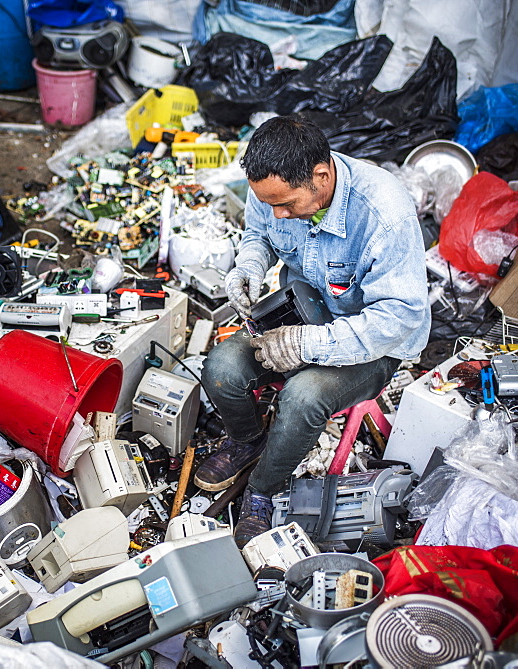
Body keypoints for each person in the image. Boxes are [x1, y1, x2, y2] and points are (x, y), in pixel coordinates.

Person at [194, 115, 430, 547]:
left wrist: (309, 344)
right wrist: (248, 266)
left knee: (301, 397)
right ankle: (248, 441)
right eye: (269, 203)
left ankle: (262, 491)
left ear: (321, 176)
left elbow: (399, 317)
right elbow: (258, 234)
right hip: (301, 312)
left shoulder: (383, 214)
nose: (277, 213)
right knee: (222, 368)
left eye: (286, 205)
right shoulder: (271, 189)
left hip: (374, 342)